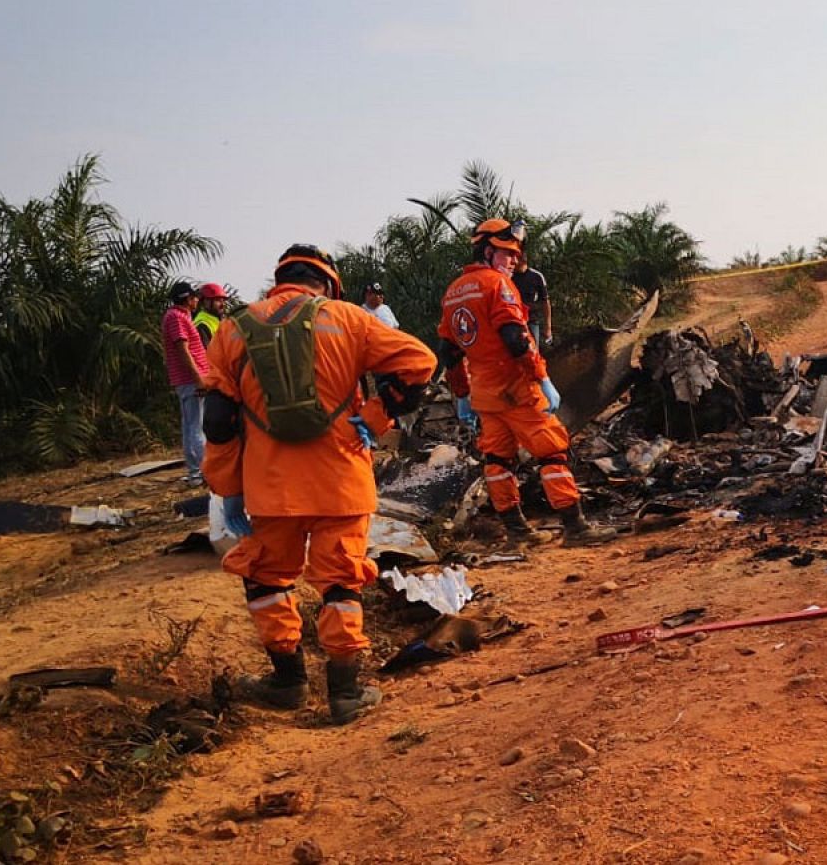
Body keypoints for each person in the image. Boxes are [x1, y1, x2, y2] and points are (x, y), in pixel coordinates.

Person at [203, 244, 437, 724]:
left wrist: (227, 487)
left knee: (267, 578)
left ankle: (287, 681)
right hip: (341, 477)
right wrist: (373, 415)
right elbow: (420, 363)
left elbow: (219, 421)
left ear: (280, 278)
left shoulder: (233, 328)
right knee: (340, 582)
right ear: (328, 283)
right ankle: (346, 692)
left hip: (270, 486)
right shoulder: (347, 318)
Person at [438, 219, 615, 548]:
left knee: (497, 460)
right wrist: (543, 378)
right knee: (552, 451)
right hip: (516, 387)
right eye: (506, 254)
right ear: (488, 251)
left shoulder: (452, 293)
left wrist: (462, 393)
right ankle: (575, 527)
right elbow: (517, 339)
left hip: (484, 394)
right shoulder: (498, 285)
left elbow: (448, 352)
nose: (513, 262)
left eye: (515, 255)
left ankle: (518, 532)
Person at [162, 281, 210, 484]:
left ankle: (196, 472)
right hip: (190, 380)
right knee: (196, 426)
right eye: (194, 297)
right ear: (187, 299)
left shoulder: (180, 317)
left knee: (192, 425)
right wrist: (198, 378)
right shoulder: (176, 318)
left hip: (190, 379)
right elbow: (183, 350)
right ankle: (201, 471)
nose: (197, 300)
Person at [507, 222, 553, 348]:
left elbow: (545, 303)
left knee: (532, 354)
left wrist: (548, 327)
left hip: (531, 322)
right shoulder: (507, 277)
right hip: (512, 323)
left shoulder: (537, 277)